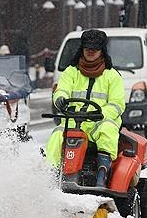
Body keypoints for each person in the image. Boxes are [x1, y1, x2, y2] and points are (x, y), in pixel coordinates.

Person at [45, 29, 125, 187]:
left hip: (99, 122)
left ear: (102, 50)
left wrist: (99, 114)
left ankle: (102, 175)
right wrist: (60, 99)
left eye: (94, 49)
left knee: (107, 131)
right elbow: (62, 89)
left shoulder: (112, 76)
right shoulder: (71, 72)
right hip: (74, 122)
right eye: (87, 48)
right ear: (82, 49)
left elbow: (117, 104)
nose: (90, 52)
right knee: (57, 135)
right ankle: (51, 176)